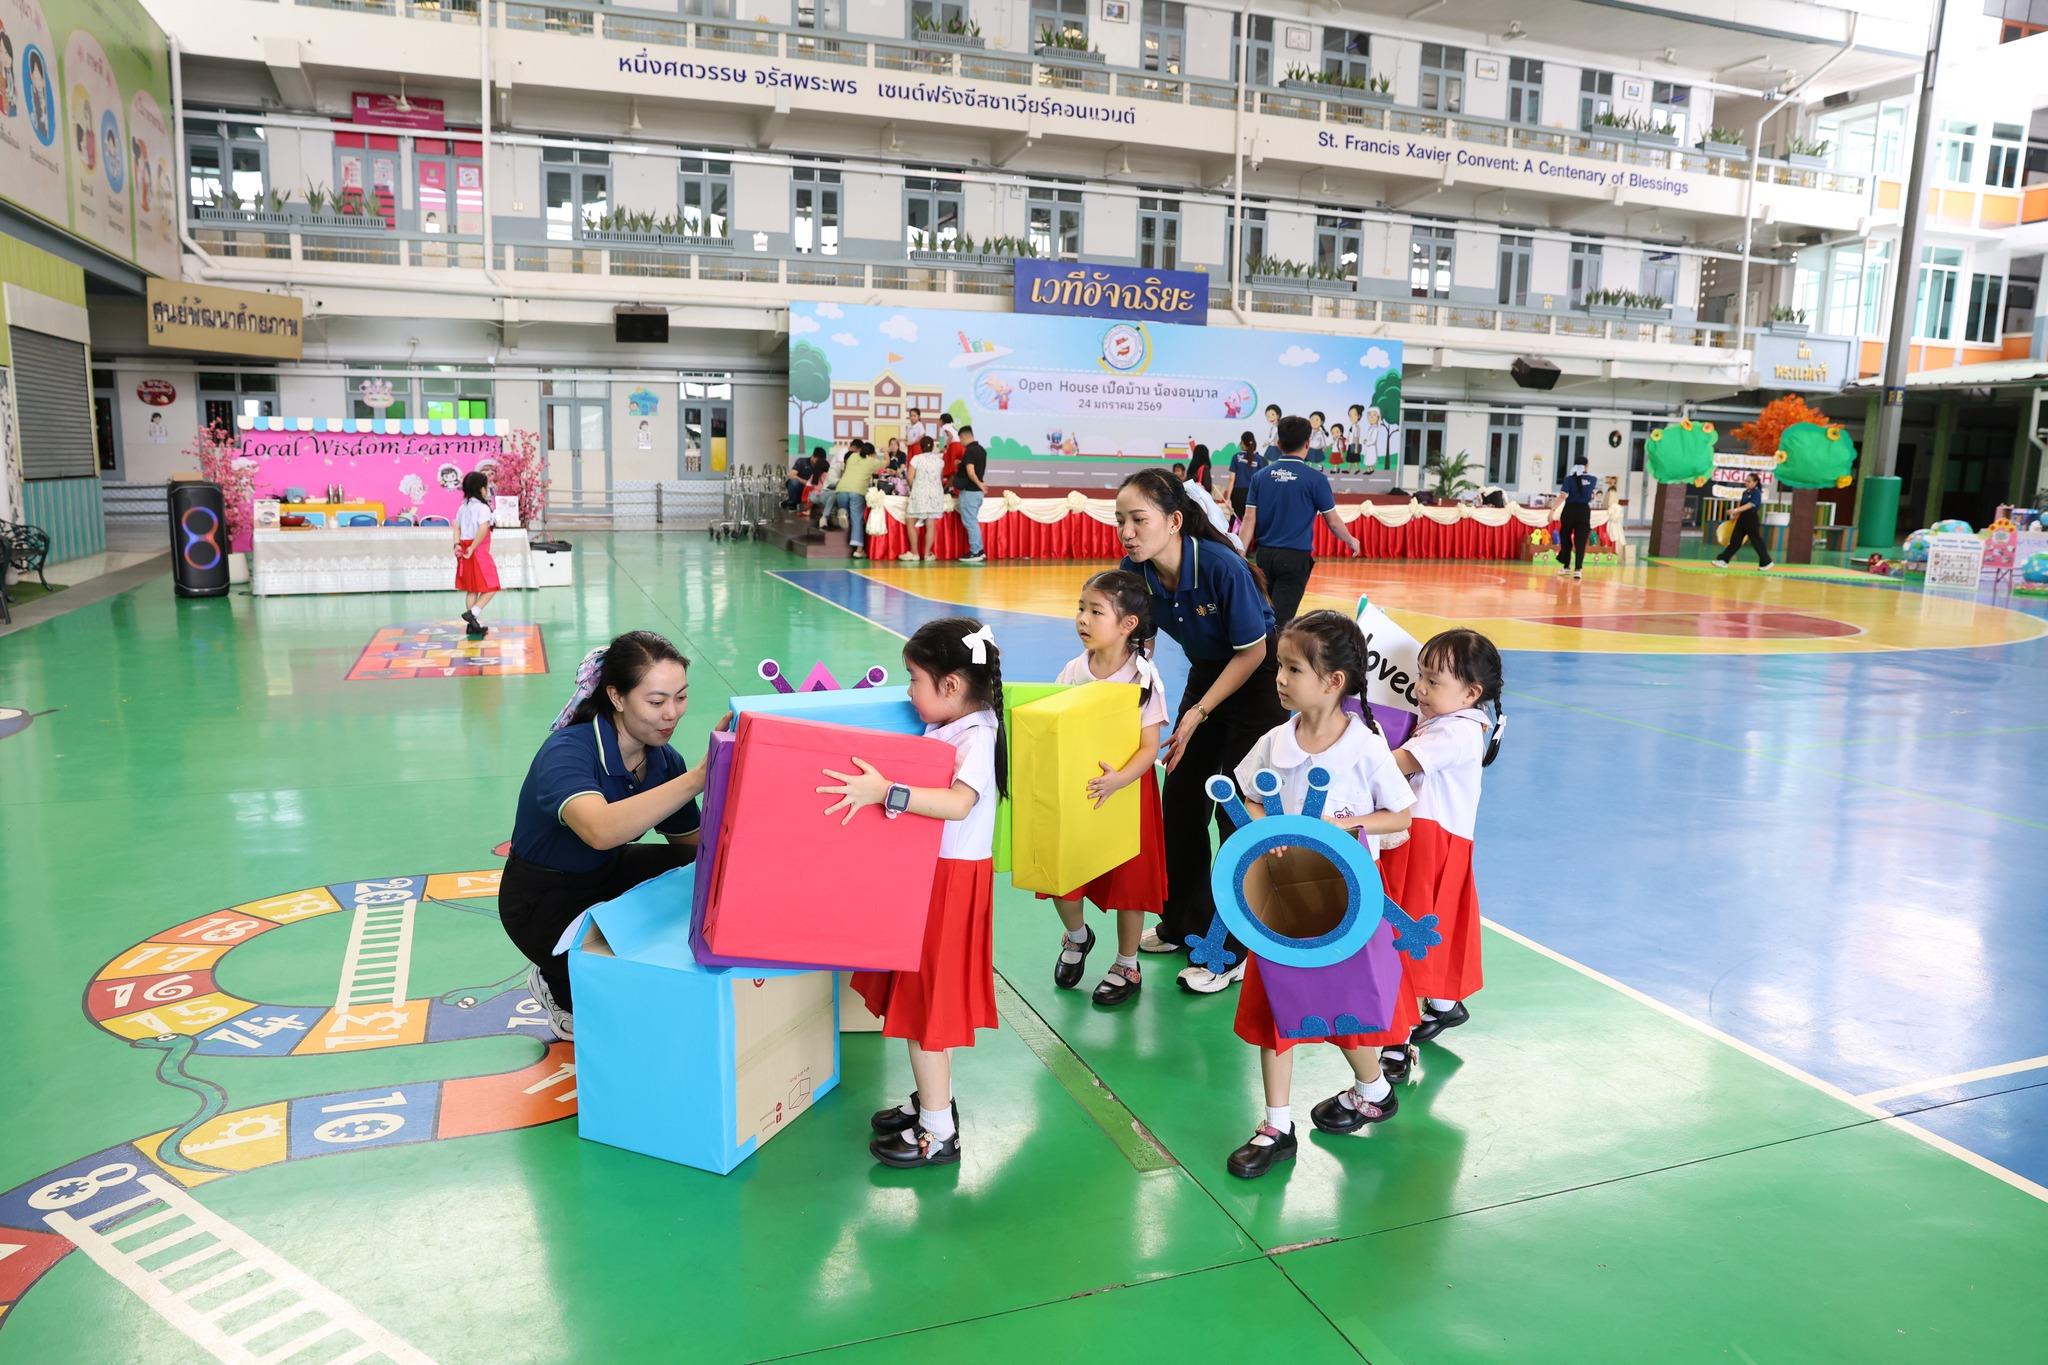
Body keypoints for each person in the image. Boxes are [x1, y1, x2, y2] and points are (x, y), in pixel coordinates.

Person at [1223, 611, 1417, 1178]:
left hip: (1344, 905)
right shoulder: (1274, 740)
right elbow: (1247, 795)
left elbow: (1400, 814)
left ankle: (1373, 1086)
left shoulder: (1365, 748)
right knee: (1276, 1011)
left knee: (1341, 1011)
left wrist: (1344, 825)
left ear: (1333, 681)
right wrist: (1267, 828)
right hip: (1279, 905)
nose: (1280, 679)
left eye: (1293, 669)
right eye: (1280, 667)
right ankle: (1276, 1126)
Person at [826, 618, 1006, 1168]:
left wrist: (886, 792)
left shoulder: (976, 735)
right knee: (921, 1003)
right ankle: (932, 1098)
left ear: (950, 685)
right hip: (930, 876)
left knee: (926, 1014)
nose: (908, 692)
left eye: (914, 679)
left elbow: (958, 803)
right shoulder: (956, 722)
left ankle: (938, 1130)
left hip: (950, 885)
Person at [1116, 469, 1283, 994]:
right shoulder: (1135, 570)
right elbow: (1139, 640)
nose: (1126, 532)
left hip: (1256, 682)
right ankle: (1182, 921)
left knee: (1235, 814)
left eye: (1138, 520)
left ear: (1173, 521)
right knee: (1182, 799)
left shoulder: (1219, 566)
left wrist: (1198, 713)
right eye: (1120, 521)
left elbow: (1253, 652)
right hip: (1207, 673)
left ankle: (1230, 950)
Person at [499, 633, 708, 1038]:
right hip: (542, 900)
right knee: (614, 1019)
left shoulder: (664, 760)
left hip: (606, 874)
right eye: (656, 701)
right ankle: (557, 983)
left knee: (706, 871)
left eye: (681, 697)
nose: (672, 713)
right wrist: (698, 779)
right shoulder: (567, 751)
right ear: (616, 697)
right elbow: (600, 831)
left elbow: (695, 847)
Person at [1375, 628, 1505, 1080]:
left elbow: (1394, 765)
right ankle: (1445, 1003)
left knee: (1403, 936)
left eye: (1433, 681)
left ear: (1470, 693)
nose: (1420, 689)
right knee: (1425, 929)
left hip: (1427, 845)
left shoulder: (1455, 732)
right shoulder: (1451, 720)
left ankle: (1396, 1042)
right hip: (1427, 841)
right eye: (1419, 677)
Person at [1044, 571, 1170, 1007]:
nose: (1082, 618)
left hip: (1128, 792)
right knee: (1063, 875)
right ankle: (1078, 935)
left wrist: (1119, 779)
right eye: (1081, 608)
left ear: (1127, 624)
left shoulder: (1143, 678)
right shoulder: (1073, 670)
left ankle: (1126, 963)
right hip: (1078, 790)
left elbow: (1149, 747)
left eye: (1095, 611)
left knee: (1129, 883)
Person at [1241, 415, 1361, 628]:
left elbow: (1249, 519)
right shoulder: (1316, 479)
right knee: (1281, 622)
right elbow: (1333, 522)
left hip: (1265, 556)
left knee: (1263, 615)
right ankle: (1273, 650)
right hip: (1295, 558)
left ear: (1279, 444)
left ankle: (1262, 648)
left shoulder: (1260, 477)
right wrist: (1351, 540)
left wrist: (1240, 552)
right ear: (1307, 443)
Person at [454, 471, 499, 638]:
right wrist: (472, 548)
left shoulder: (463, 507)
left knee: (472, 589)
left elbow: (456, 527)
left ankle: (472, 625)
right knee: (492, 586)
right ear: (480, 489)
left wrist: (457, 545)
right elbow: (483, 529)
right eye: (486, 487)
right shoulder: (483, 508)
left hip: (465, 548)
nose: (487, 490)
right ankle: (473, 614)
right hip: (478, 550)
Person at [829, 441, 883, 558]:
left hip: (841, 489)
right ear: (872, 453)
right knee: (857, 519)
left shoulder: (852, 456)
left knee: (847, 511)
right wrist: (886, 453)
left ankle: (844, 511)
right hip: (857, 491)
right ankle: (859, 550)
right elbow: (886, 463)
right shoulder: (872, 461)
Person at [1715, 471, 1774, 569]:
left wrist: (1735, 510)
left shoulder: (1757, 493)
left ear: (1755, 482)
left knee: (1756, 541)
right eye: (1746, 481)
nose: (1746, 483)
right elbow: (1742, 505)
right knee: (1735, 540)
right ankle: (1723, 560)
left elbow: (1750, 505)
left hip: (1751, 519)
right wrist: (1736, 515)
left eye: (1749, 481)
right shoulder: (1745, 492)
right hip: (1742, 519)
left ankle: (1766, 562)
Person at [1555, 456, 1599, 579]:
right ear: (1586, 466)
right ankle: (1578, 570)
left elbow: (1562, 496)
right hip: (1584, 511)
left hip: (1569, 511)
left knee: (1565, 538)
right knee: (1581, 541)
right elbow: (1593, 495)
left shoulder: (1569, 479)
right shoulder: (1593, 479)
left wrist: (1552, 511)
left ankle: (1566, 567)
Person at [904, 435, 945, 561]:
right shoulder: (939, 460)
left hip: (919, 493)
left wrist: (912, 488)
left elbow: (910, 477)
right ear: (933, 447)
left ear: (920, 447)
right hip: (935, 495)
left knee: (910, 521)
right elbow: (940, 478)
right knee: (930, 524)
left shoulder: (916, 459)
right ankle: (927, 554)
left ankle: (914, 553)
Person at [953, 423, 988, 565]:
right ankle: (979, 550)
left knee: (970, 522)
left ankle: (975, 551)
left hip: (970, 491)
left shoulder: (969, 451)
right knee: (972, 521)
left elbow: (970, 471)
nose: (960, 442)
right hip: (977, 493)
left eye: (960, 439)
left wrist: (979, 483)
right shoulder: (981, 450)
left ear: (963, 437)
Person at [1226, 431, 1265, 527]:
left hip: (1237, 493)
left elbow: (1231, 479)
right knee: (1250, 520)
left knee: (1235, 519)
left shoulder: (1236, 457)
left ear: (1243, 443)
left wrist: (1228, 498)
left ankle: (1233, 536)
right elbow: (1262, 481)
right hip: (1253, 493)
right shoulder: (1260, 459)